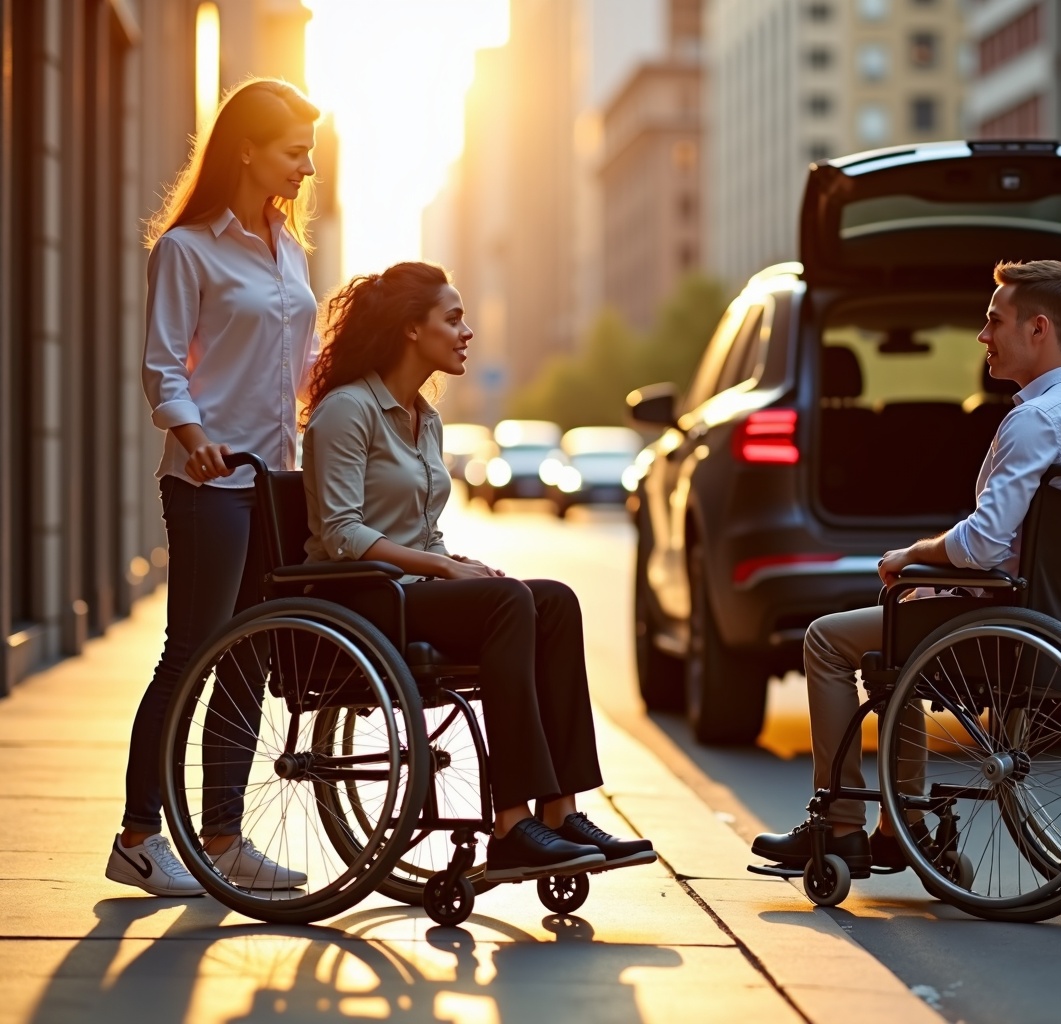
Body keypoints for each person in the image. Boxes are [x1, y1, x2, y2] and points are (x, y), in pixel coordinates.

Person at [752, 259, 1061, 877]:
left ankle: (841, 825)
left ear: (1039, 328)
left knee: (828, 640)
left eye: (994, 321)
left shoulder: (1036, 419)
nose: (984, 335)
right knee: (902, 632)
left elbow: (982, 546)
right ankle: (897, 826)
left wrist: (912, 556)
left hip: (1003, 625)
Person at [302, 261, 655, 882]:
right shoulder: (347, 411)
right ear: (412, 328)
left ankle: (562, 811)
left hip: (411, 593)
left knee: (552, 600)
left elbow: (425, 529)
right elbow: (341, 533)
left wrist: (458, 562)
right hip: (359, 599)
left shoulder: (426, 417)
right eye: (454, 319)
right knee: (507, 603)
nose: (467, 333)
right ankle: (512, 823)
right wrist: (441, 566)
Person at [108, 79, 323, 897]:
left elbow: (299, 368)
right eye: (294, 152)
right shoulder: (187, 250)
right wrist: (192, 436)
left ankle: (225, 837)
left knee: (252, 655)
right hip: (211, 484)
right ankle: (137, 838)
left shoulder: (290, 248)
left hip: (276, 482)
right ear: (247, 149)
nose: (307, 168)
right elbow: (164, 367)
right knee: (192, 652)